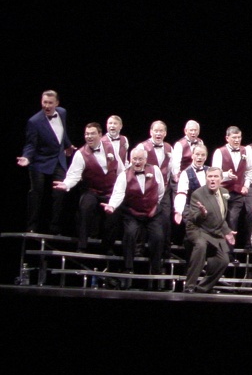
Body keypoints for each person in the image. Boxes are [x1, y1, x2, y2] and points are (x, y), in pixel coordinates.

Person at [53, 122, 122, 254]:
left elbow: (120, 169)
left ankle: (107, 246)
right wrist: (66, 184)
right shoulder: (80, 154)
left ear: (100, 135)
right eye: (86, 134)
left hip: (110, 191)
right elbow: (74, 175)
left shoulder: (111, 147)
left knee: (114, 214)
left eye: (92, 134)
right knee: (85, 207)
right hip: (92, 190)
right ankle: (82, 246)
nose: (89, 136)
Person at [104, 146, 166, 290]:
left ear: (146, 159)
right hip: (132, 212)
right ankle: (128, 267)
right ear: (130, 159)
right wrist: (112, 206)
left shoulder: (155, 170)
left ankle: (156, 269)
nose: (137, 162)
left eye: (140, 159)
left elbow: (161, 190)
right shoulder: (124, 175)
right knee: (130, 233)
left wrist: (152, 204)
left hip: (152, 213)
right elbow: (118, 193)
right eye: (134, 159)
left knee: (158, 236)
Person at [17, 89, 76, 235]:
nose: (47, 106)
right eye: (44, 102)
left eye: (50, 103)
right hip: (39, 160)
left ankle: (55, 228)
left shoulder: (62, 112)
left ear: (57, 103)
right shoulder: (34, 121)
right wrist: (27, 157)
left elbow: (61, 132)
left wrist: (68, 145)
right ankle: (32, 227)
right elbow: (30, 144)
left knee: (59, 193)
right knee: (36, 193)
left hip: (58, 159)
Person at [182, 166, 232, 294]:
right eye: (209, 176)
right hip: (198, 229)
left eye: (215, 176)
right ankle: (190, 285)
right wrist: (202, 213)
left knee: (223, 261)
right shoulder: (198, 194)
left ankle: (203, 287)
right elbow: (193, 218)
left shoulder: (224, 192)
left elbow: (221, 216)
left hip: (214, 232)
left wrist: (227, 231)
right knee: (201, 246)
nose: (212, 179)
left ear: (221, 179)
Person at [212, 126, 252, 251]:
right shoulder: (219, 152)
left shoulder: (246, 151)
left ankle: (229, 253)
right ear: (227, 138)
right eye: (234, 137)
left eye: (239, 137)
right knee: (219, 220)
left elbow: (249, 171)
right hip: (222, 192)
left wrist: (246, 185)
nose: (237, 140)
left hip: (237, 193)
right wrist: (227, 175)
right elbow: (215, 173)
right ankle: (216, 250)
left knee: (233, 220)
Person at [139, 120, 174, 257]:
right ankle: (140, 248)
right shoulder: (142, 146)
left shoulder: (169, 148)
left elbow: (170, 168)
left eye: (161, 131)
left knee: (165, 218)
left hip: (164, 189)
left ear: (165, 133)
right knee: (144, 218)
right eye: (156, 131)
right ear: (151, 132)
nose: (158, 133)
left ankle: (165, 250)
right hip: (147, 190)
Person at [173, 144, 209, 226]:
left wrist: (228, 175)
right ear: (192, 156)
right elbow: (181, 194)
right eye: (197, 154)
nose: (199, 157)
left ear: (206, 157)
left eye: (202, 155)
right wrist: (178, 211)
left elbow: (219, 176)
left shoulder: (209, 170)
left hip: (207, 210)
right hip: (191, 210)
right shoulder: (185, 173)